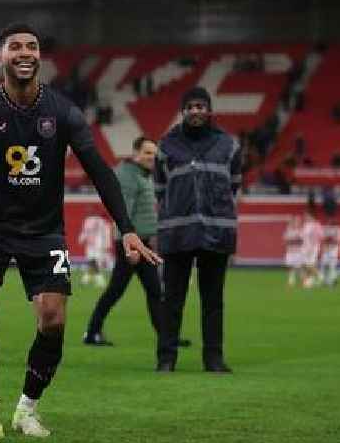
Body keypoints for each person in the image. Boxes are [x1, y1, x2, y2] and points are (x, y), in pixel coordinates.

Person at [0, 23, 160, 442]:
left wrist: (127, 228)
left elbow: (99, 169)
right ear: (1, 57)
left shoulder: (64, 112)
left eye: (31, 47)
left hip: (43, 232)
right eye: (15, 47)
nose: (24, 53)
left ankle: (27, 409)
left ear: (40, 57)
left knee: (52, 320)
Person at [154, 86, 241, 373]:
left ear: (209, 110)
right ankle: (166, 359)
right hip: (177, 233)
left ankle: (213, 359)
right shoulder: (166, 145)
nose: (195, 111)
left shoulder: (228, 145)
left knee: (213, 301)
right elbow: (160, 189)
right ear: (183, 111)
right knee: (172, 300)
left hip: (216, 233)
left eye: (200, 106)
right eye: (190, 106)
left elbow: (234, 185)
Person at [83, 137, 191, 348]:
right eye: (148, 153)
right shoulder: (129, 176)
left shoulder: (140, 174)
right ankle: (92, 332)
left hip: (140, 243)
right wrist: (128, 245)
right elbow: (124, 211)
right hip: (132, 243)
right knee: (125, 290)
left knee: (150, 290)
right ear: (136, 154)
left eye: (154, 153)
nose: (153, 157)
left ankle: (166, 337)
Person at [78, 210, 112, 287]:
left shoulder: (88, 221)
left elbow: (85, 232)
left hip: (91, 245)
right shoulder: (103, 222)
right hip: (98, 245)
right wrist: (107, 245)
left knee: (93, 262)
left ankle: (87, 279)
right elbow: (106, 233)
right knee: (93, 262)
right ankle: (97, 280)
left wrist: (81, 239)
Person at [300, 211, 323, 289]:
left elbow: (318, 237)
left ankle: (320, 277)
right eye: (305, 216)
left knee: (310, 264)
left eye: (307, 216)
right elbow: (304, 237)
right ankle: (308, 282)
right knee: (304, 265)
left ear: (312, 216)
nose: (305, 217)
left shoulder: (316, 225)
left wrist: (312, 248)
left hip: (312, 248)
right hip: (305, 247)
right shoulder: (305, 225)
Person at [319, 217, 340, 287]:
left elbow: (337, 241)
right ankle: (326, 280)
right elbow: (323, 240)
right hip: (326, 250)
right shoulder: (325, 228)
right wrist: (323, 249)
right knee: (323, 265)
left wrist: (330, 248)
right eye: (328, 221)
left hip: (334, 250)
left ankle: (332, 281)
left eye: (331, 221)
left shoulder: (338, 230)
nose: (329, 222)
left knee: (331, 266)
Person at [283, 215, 304, 287]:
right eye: (294, 221)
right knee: (289, 266)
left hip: (298, 252)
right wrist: (292, 240)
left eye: (297, 222)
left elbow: (302, 241)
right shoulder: (288, 230)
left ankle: (303, 280)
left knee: (298, 268)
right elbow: (286, 241)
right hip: (290, 252)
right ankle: (291, 281)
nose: (296, 223)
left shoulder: (301, 231)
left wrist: (294, 240)